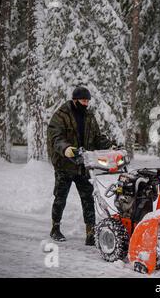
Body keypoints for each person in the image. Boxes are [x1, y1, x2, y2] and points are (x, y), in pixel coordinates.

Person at [47, 86, 114, 245]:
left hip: (83, 164)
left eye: (88, 101)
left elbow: (97, 138)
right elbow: (55, 137)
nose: (86, 103)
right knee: (60, 197)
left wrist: (110, 146)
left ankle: (90, 232)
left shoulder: (90, 116)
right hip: (65, 164)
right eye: (84, 100)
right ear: (75, 100)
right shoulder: (61, 115)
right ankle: (55, 228)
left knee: (88, 198)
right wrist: (66, 149)